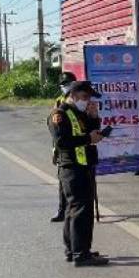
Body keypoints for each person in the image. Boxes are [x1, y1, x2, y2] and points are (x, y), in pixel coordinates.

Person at [48, 80, 108, 267]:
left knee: (74, 210)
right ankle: (81, 255)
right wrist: (88, 139)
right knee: (80, 211)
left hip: (84, 166)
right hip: (72, 168)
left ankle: (74, 250)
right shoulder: (59, 114)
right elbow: (62, 142)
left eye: (89, 98)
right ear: (73, 95)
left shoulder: (79, 113)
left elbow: (90, 133)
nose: (87, 101)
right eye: (84, 97)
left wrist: (94, 118)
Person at [49, 71, 78, 222]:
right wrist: (55, 148)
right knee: (63, 181)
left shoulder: (80, 99)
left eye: (68, 84)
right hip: (64, 146)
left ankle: (80, 209)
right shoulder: (59, 101)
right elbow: (55, 128)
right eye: (63, 84)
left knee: (80, 184)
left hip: (80, 145)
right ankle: (62, 210)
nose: (66, 87)